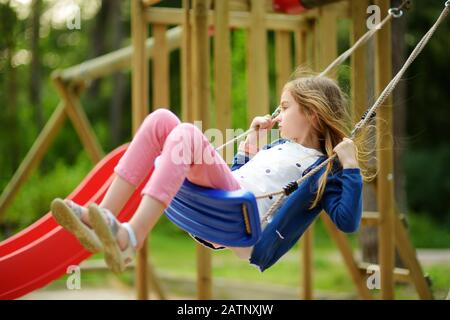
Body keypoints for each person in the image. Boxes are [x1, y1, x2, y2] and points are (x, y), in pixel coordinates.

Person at [51, 74, 366, 273]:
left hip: (246, 225)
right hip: (228, 202)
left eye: (284, 108)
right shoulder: (277, 147)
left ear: (311, 114)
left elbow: (347, 222)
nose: (277, 115)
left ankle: (132, 235)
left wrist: (350, 166)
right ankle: (104, 217)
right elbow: (243, 178)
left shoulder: (326, 169)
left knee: (187, 133)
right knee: (162, 119)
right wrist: (251, 145)